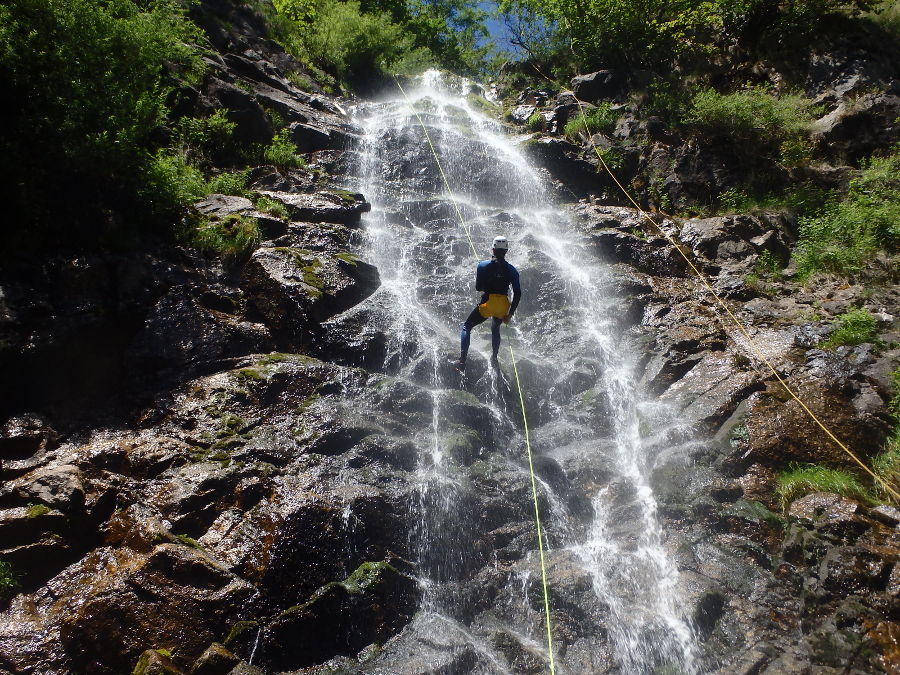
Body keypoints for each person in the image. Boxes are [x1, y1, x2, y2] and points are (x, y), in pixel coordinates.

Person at [453, 235, 521, 372]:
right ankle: (494, 358)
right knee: (495, 329)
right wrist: (510, 314)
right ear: (506, 251)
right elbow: (518, 293)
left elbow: (478, 288)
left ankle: (462, 362)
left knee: (467, 327)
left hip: (488, 304)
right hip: (502, 306)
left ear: (493, 249)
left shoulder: (483, 265)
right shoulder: (512, 270)